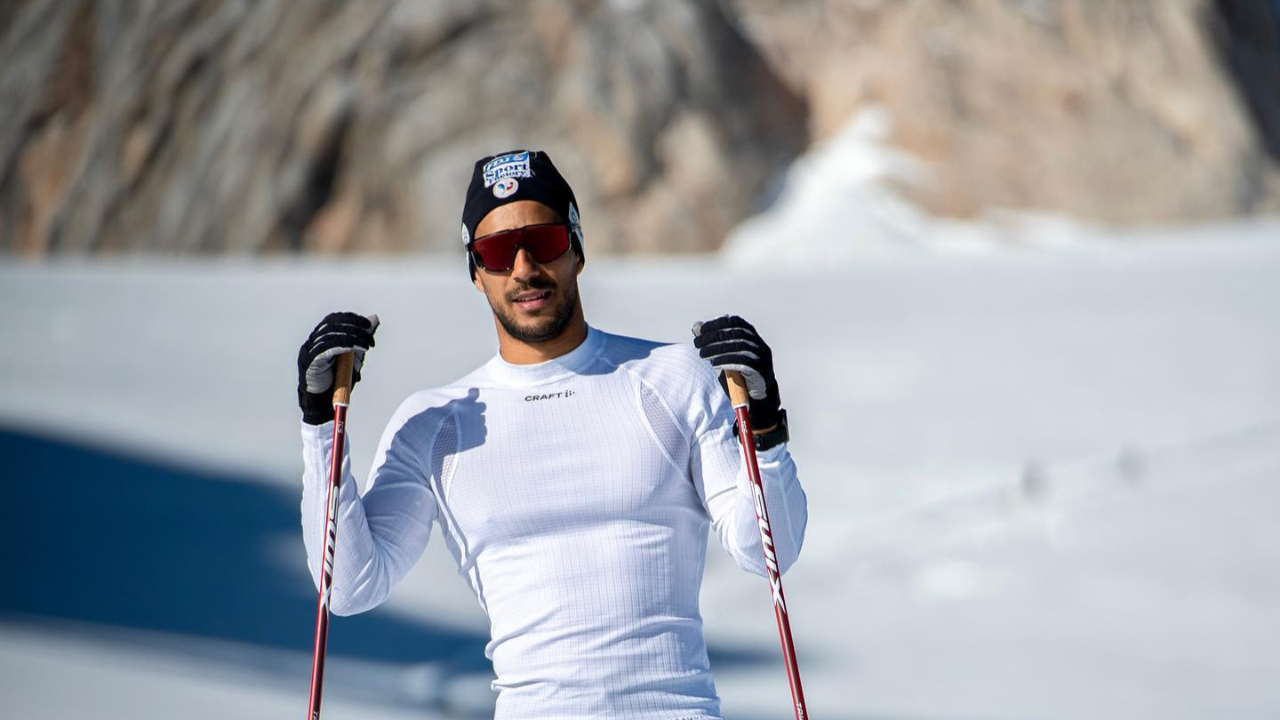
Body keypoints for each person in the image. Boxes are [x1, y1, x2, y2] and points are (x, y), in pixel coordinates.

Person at [296, 149, 807, 720]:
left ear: (577, 247)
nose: (522, 269)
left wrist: (763, 427)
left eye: (542, 242)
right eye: (494, 252)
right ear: (475, 271)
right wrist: (321, 425)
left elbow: (770, 550)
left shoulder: (670, 379)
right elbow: (347, 587)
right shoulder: (435, 424)